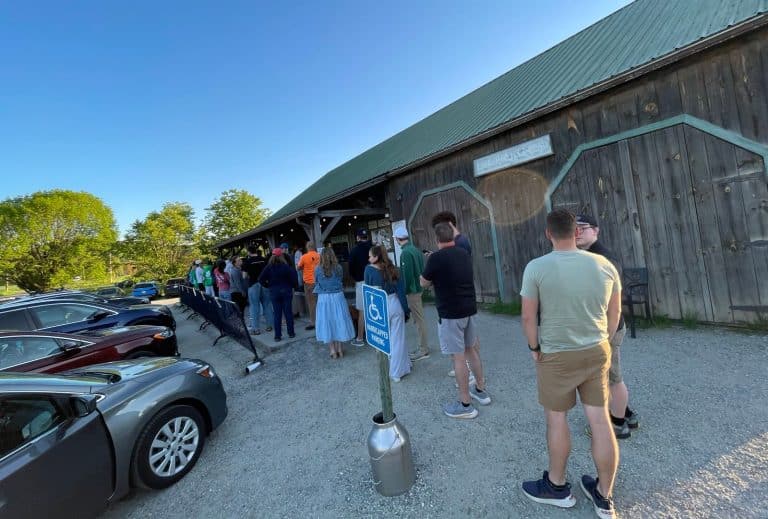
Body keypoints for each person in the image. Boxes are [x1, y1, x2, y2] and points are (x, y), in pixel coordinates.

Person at [520, 209, 621, 519]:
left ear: (549, 234)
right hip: (596, 349)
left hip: (557, 355)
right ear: (577, 233)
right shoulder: (604, 265)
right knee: (600, 420)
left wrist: (534, 347)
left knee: (557, 419)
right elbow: (614, 313)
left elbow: (528, 316)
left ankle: (557, 486)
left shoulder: (536, 268)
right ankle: (604, 495)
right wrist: (604, 340)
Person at [576, 214, 639, 440]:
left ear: (596, 230)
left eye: (583, 227)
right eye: (574, 228)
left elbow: (605, 300)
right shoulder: (587, 256)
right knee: (607, 373)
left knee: (612, 376)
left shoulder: (603, 258)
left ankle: (618, 423)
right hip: (601, 326)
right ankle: (626, 413)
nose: (578, 232)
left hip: (607, 327)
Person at [420, 222, 489, 419]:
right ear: (453, 236)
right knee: (472, 351)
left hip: (450, 314)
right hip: (469, 310)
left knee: (458, 358)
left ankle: (465, 404)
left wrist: (431, 267)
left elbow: (423, 283)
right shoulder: (464, 253)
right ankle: (481, 390)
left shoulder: (435, 258)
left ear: (436, 239)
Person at [365, 244, 411, 382]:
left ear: (376, 257)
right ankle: (400, 368)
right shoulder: (393, 269)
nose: (368, 259)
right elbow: (401, 291)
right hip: (395, 303)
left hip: (379, 305)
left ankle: (396, 369)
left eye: (370, 256)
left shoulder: (368, 270)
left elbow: (368, 291)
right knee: (398, 338)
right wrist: (406, 310)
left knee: (386, 339)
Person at [394, 226, 430, 362]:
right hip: (418, 287)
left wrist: (404, 291)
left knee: (419, 320)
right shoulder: (415, 249)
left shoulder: (405, 253)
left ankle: (423, 349)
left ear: (398, 239)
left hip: (412, 290)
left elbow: (406, 275)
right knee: (419, 319)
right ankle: (422, 347)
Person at [314, 247, 355, 358]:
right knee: (339, 320)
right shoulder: (339, 268)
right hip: (337, 296)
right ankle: (340, 349)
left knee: (328, 322)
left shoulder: (317, 269)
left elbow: (316, 282)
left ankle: (332, 350)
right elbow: (341, 280)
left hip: (324, 298)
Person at [258, 248, 298, 342]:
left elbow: (260, 279)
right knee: (288, 313)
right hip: (286, 291)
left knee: (277, 314)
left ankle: (277, 336)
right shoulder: (286, 266)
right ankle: (291, 333)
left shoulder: (269, 267)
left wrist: (268, 286)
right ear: (281, 256)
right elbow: (294, 279)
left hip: (274, 292)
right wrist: (291, 286)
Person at [242, 245, 273, 335]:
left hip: (253, 284)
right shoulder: (264, 260)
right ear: (256, 251)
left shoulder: (247, 262)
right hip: (265, 284)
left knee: (254, 306)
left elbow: (244, 276)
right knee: (267, 305)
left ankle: (256, 329)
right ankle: (269, 326)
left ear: (248, 252)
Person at [349, 228, 372, 346]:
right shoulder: (373, 248)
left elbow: (350, 270)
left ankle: (360, 338)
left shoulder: (354, 251)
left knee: (362, 311)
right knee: (374, 308)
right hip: (374, 281)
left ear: (357, 238)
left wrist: (356, 278)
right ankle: (375, 335)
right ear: (366, 237)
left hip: (361, 282)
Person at [297, 241, 321, 331]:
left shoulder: (304, 257)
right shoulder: (319, 256)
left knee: (311, 304)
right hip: (319, 282)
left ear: (307, 247)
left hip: (309, 283)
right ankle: (322, 320)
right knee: (320, 302)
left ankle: (313, 322)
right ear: (314, 247)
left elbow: (298, 267)